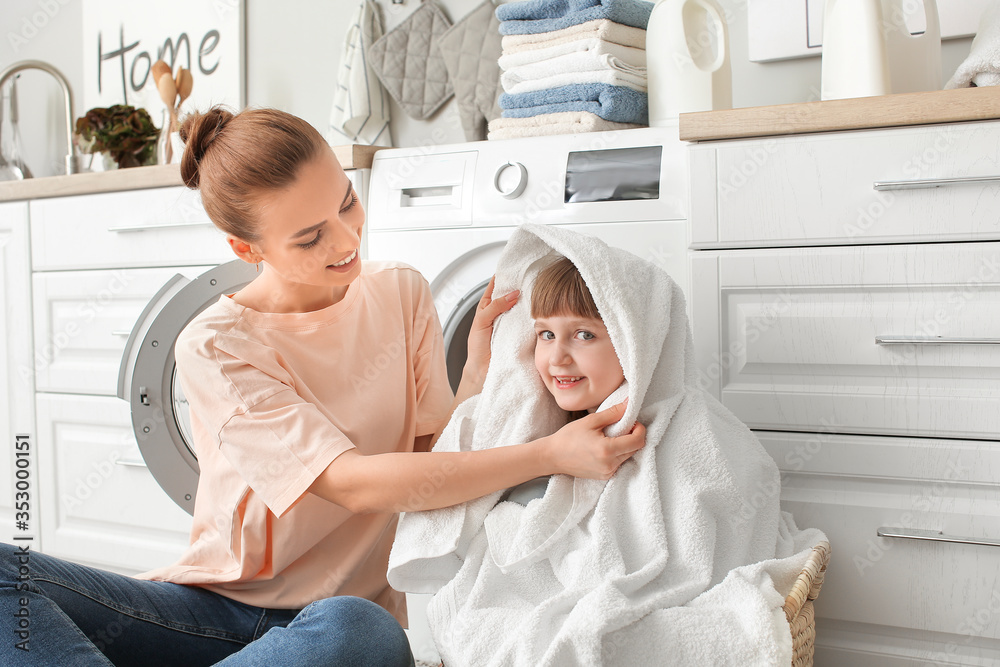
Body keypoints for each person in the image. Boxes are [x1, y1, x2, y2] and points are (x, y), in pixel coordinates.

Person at [0, 107, 646, 666]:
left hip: (332, 629)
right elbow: (353, 482)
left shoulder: (400, 291)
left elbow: (428, 468)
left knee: (359, 628)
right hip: (213, 614)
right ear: (246, 248)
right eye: (310, 237)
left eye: (345, 203)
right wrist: (550, 454)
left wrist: (477, 371)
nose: (346, 240)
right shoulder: (216, 344)